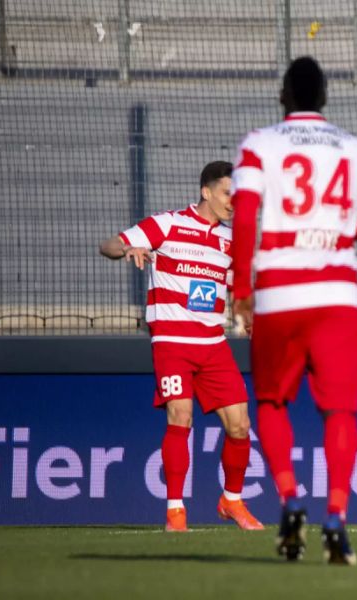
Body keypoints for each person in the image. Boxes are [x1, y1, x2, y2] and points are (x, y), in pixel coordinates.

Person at [229, 56, 357, 565]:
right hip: (338, 298)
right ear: (325, 97)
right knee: (340, 412)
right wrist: (337, 231)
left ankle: (290, 497)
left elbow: (245, 219)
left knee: (273, 404)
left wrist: (240, 289)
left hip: (279, 294)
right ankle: (338, 517)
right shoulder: (355, 146)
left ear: (284, 95)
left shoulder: (259, 143)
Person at [99, 161, 262, 532]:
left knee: (240, 425)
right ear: (206, 191)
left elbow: (238, 292)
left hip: (213, 344)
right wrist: (125, 249)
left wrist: (246, 314)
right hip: (172, 342)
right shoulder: (167, 224)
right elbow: (107, 245)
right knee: (181, 417)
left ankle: (231, 500)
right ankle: (176, 511)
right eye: (227, 193)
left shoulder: (232, 241)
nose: (233, 202)